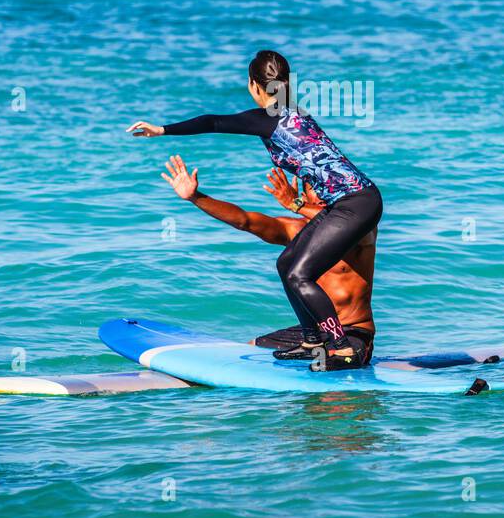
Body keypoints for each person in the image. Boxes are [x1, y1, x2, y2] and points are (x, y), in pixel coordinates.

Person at [127, 50, 381, 371]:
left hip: (354, 202)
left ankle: (340, 345)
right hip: (356, 200)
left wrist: (162, 129)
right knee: (287, 263)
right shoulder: (295, 113)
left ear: (254, 85)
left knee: (299, 274)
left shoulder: (269, 117)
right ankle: (311, 340)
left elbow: (213, 121)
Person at [161, 154, 378, 366]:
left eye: (329, 190)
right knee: (249, 349)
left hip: (353, 332)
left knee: (331, 367)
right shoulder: (295, 229)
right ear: (305, 193)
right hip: (316, 333)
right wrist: (195, 197)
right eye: (316, 189)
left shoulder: (360, 228)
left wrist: (297, 205)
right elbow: (244, 221)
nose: (323, 195)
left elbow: (358, 228)